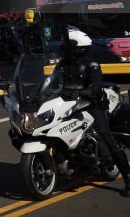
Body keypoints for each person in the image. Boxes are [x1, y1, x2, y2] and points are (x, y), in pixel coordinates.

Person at [55, 28, 130, 196]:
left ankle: (128, 178)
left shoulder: (90, 64)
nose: (64, 46)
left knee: (107, 137)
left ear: (77, 47)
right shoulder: (63, 64)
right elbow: (52, 82)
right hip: (68, 104)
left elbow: (96, 84)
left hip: (91, 104)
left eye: (67, 44)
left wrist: (87, 91)